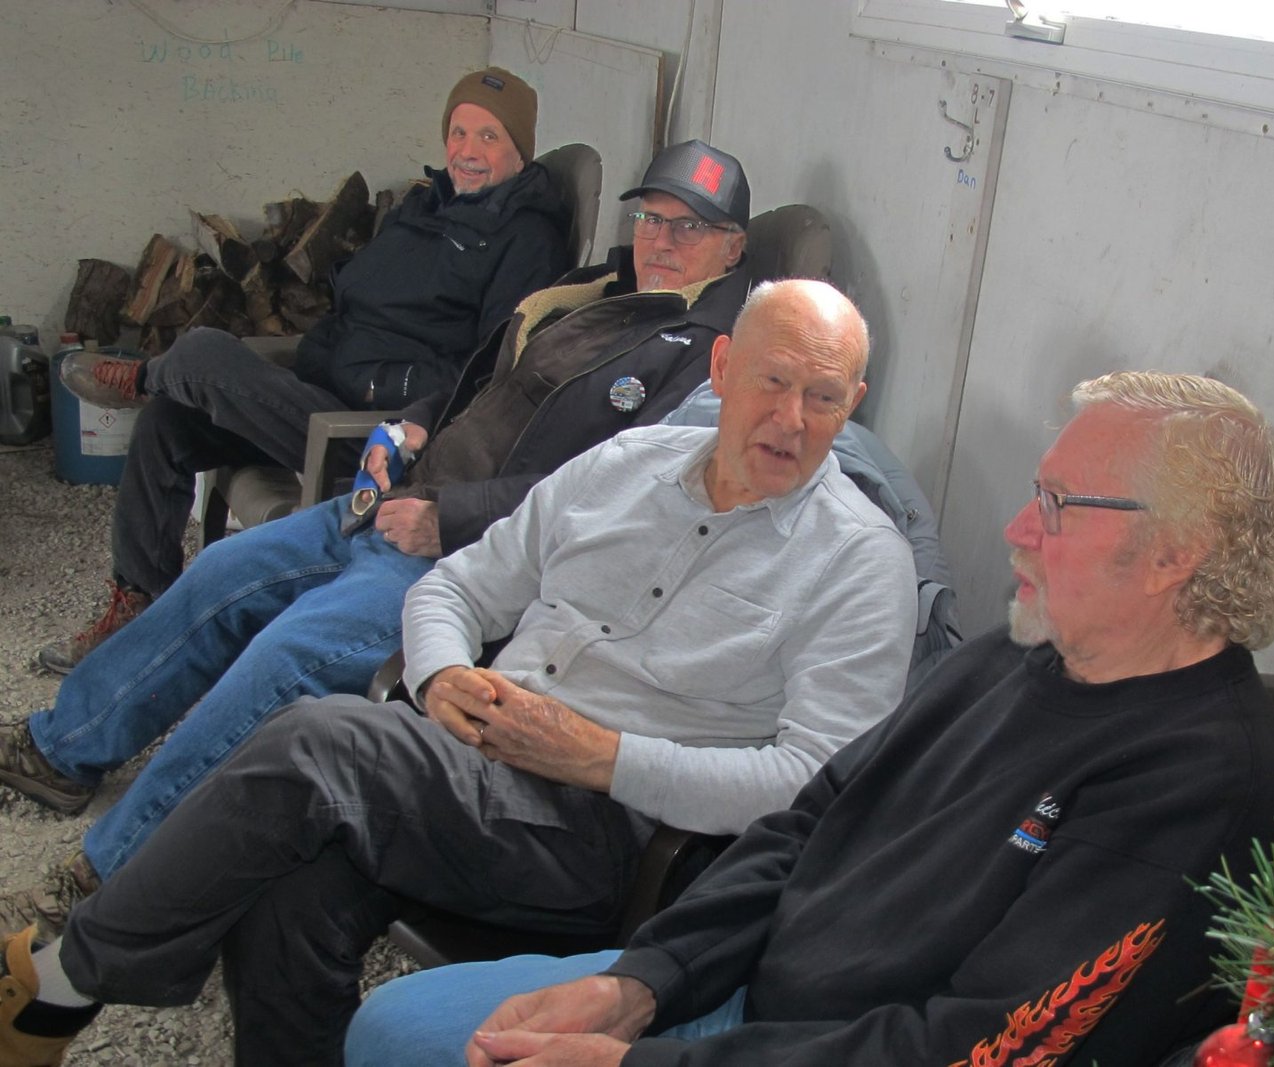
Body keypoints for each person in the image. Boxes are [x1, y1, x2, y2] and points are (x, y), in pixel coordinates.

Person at [0, 279, 919, 1067]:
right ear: (722, 369)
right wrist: (439, 676)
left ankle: (69, 977)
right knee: (291, 884)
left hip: (609, 833)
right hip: (476, 766)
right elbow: (455, 586)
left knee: (320, 737)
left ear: (854, 402)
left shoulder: (860, 563)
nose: (792, 420)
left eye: (823, 396)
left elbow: (814, 785)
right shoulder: (624, 466)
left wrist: (603, 756)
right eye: (772, 381)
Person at [335, 370, 1274, 1067]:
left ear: (1174, 553)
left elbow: (976, 1043)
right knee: (394, 1024)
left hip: (824, 1046)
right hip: (743, 993)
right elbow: (807, 823)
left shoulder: (1201, 779)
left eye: (1056, 506)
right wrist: (643, 980)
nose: (1017, 530)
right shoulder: (1013, 656)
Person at [0, 139, 755, 912]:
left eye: (689, 227)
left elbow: (614, 497)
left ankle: (105, 882)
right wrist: (412, 424)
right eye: (651, 219)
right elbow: (482, 382)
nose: (662, 240)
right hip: (400, 500)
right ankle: (61, 747)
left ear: (733, 246)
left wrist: (449, 518)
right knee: (222, 575)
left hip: (469, 557)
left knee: (287, 654)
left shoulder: (710, 358)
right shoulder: (593, 288)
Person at [39, 65, 572, 674]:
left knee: (203, 350)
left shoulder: (528, 240)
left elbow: (488, 372)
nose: (468, 152)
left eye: (489, 137)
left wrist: (395, 402)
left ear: (519, 149)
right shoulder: (423, 208)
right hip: (320, 391)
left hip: (371, 433)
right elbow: (354, 300)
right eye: (458, 132)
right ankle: (141, 611)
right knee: (169, 423)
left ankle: (142, 377)